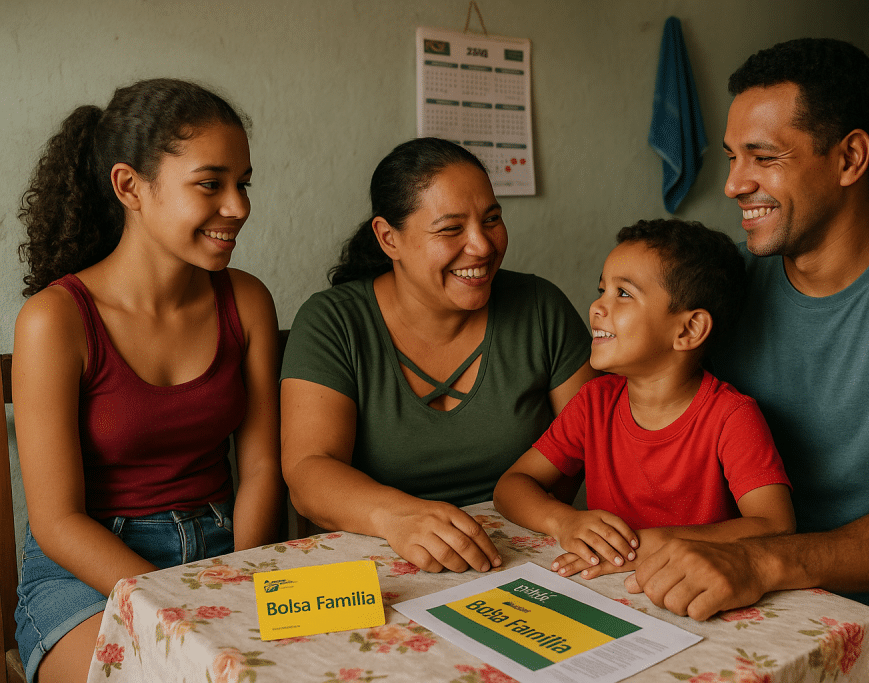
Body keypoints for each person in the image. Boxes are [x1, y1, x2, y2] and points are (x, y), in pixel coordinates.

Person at [624, 38, 869, 683]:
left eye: (764, 158)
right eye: (731, 157)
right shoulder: (734, 286)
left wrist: (767, 563)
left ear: (850, 158)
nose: (733, 184)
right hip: (762, 578)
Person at [12, 78, 284, 683]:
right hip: (89, 576)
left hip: (225, 551)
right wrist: (172, 608)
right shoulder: (55, 321)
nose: (237, 206)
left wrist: (238, 582)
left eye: (243, 184)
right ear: (129, 186)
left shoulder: (246, 300)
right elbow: (57, 522)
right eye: (211, 184)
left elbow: (262, 470)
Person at [280, 137, 597, 575]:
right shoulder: (334, 321)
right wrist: (398, 517)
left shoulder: (541, 308)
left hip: (528, 559)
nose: (482, 246)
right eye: (451, 229)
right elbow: (308, 470)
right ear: (388, 238)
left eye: (492, 219)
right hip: (385, 567)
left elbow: (599, 442)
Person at [494, 219, 794, 579]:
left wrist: (646, 545)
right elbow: (511, 486)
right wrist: (564, 521)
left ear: (688, 329)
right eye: (601, 289)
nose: (596, 307)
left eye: (623, 294)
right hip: (606, 589)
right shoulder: (594, 403)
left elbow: (775, 525)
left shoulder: (731, 417)